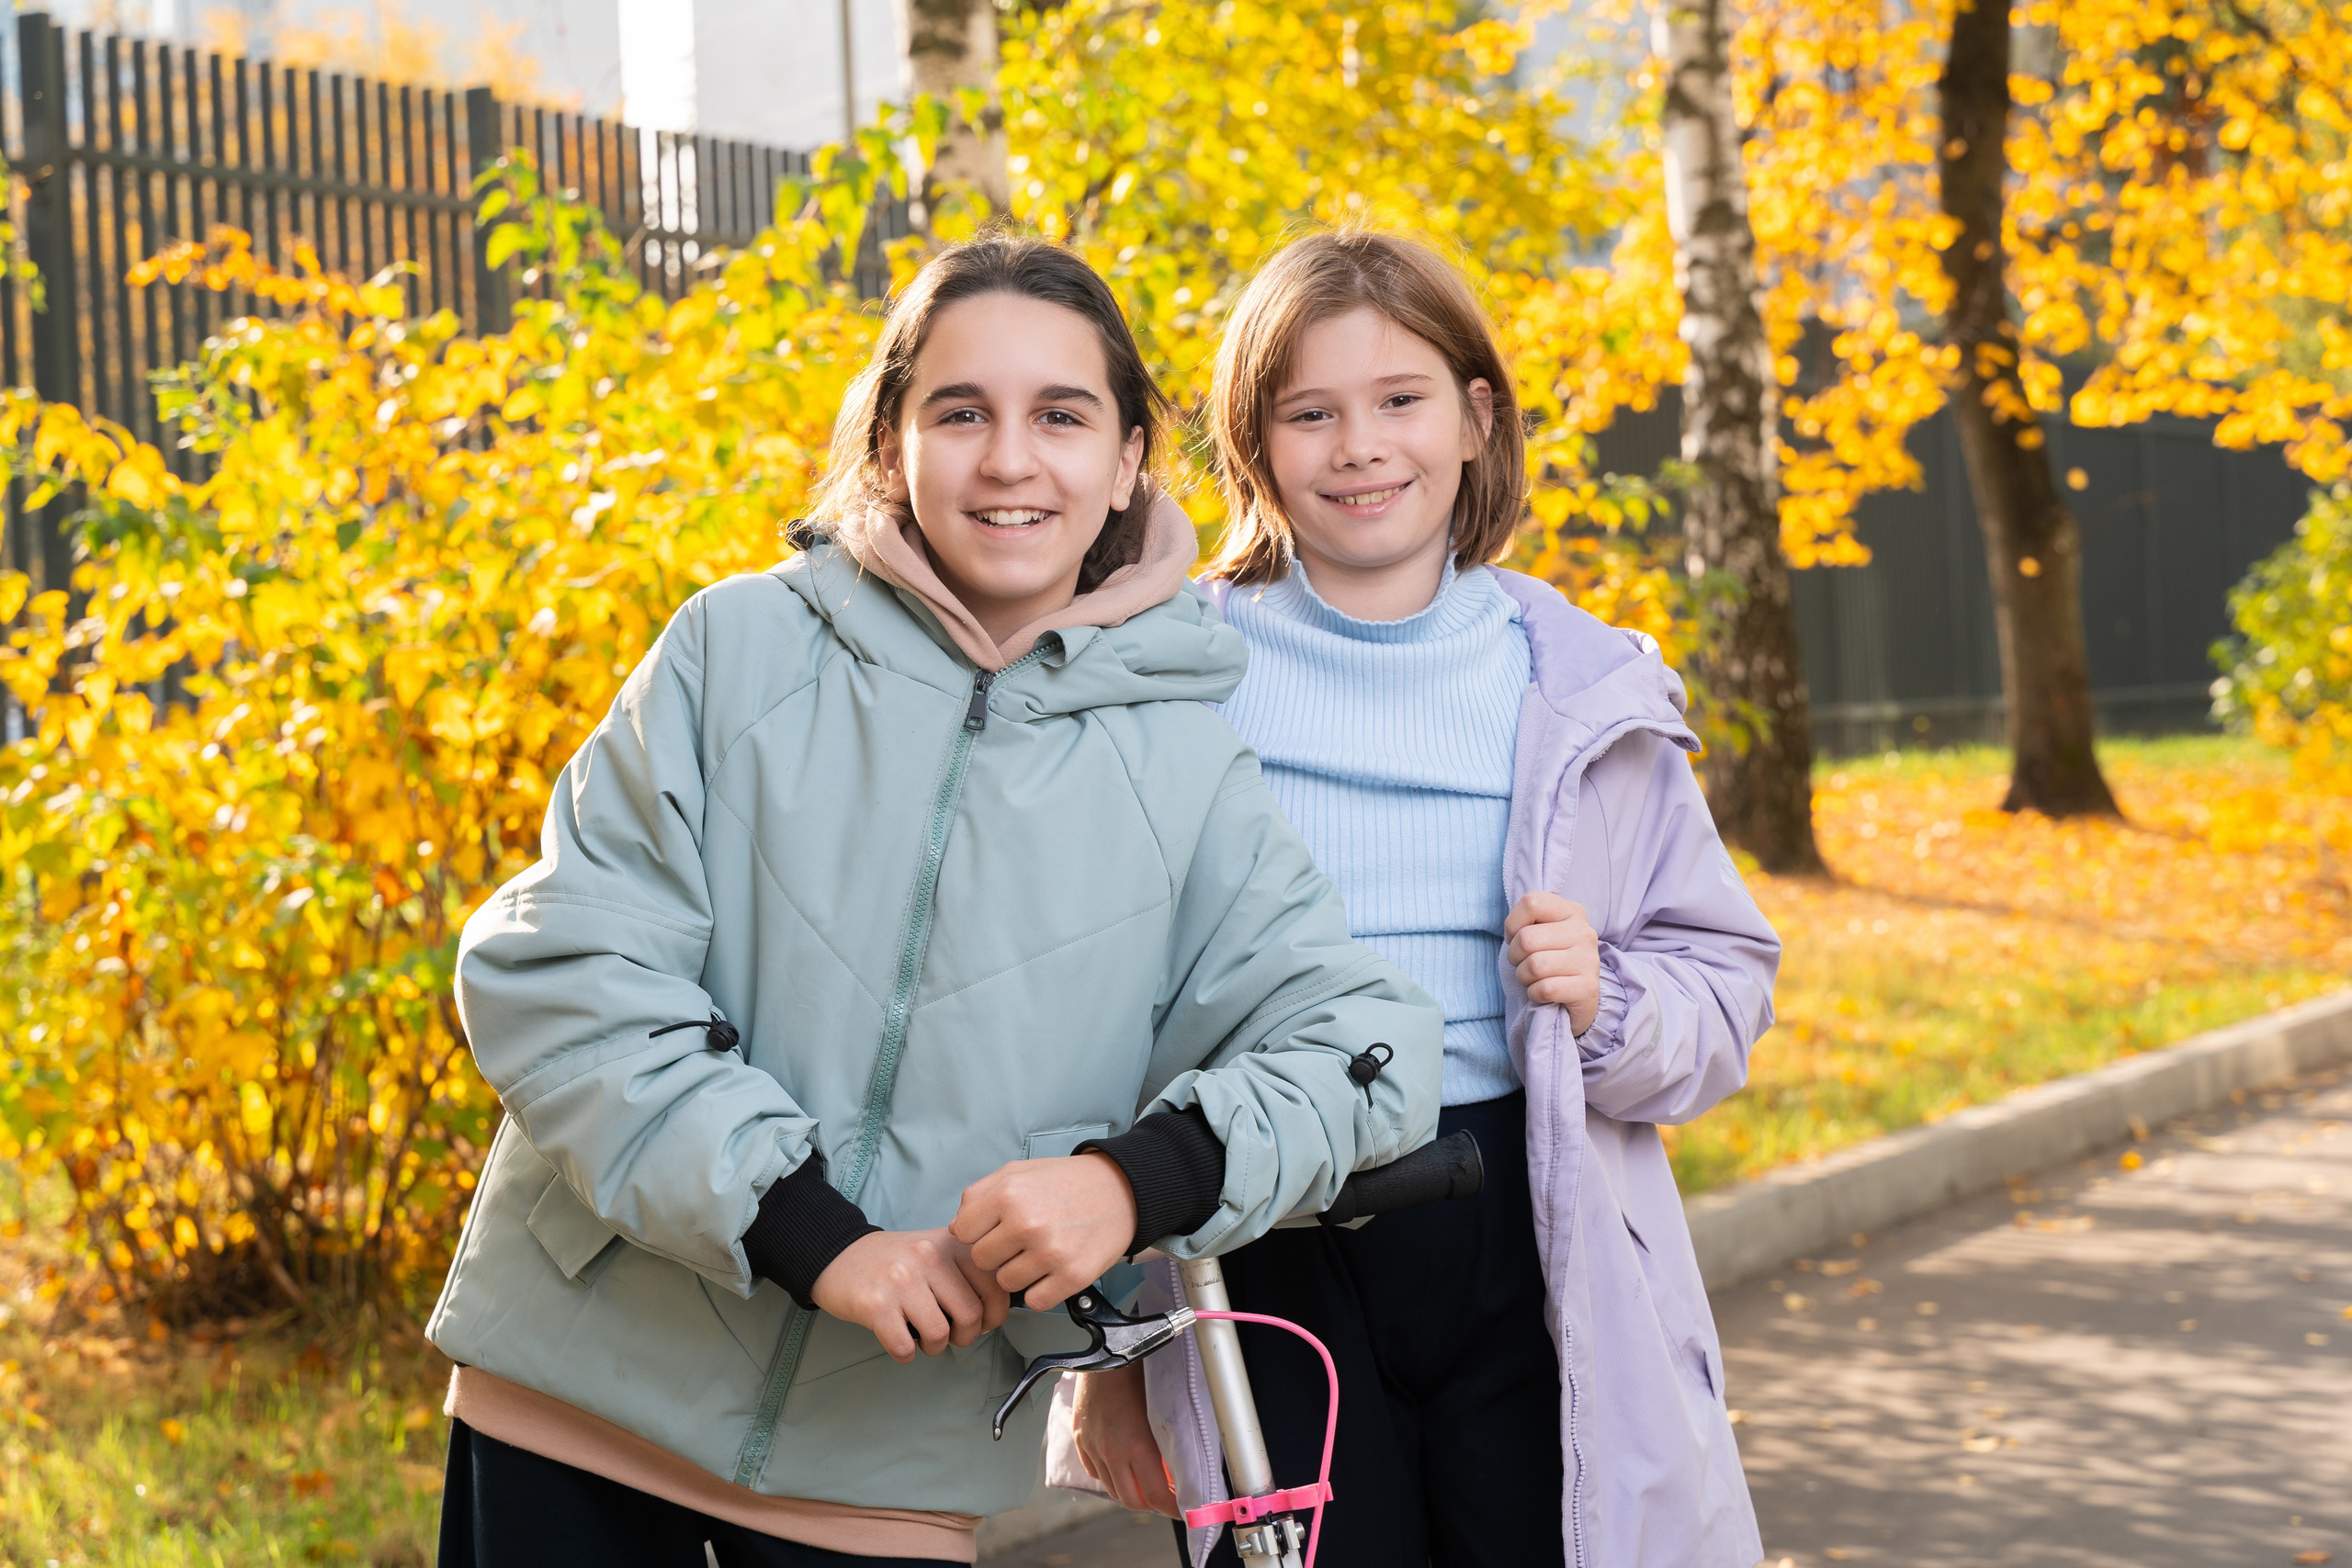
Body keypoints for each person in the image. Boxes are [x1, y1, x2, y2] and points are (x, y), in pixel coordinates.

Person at [425, 235, 1442, 1568]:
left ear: (1130, 457)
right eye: (960, 412)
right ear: (891, 441)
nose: (1011, 460)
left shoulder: (1184, 763)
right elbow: (561, 970)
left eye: (1061, 416)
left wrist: (1134, 1185)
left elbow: (1371, 1052)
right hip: (573, 1406)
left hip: (895, 1470)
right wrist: (806, 1230)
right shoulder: (737, 649)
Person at [1065, 230, 1781, 1568]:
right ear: (1256, 444)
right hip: (1257, 1224)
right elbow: (1087, 1013)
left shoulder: (1578, 683)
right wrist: (1106, 1346)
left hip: (1527, 1217)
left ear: (1474, 416)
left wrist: (1610, 1000)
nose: (1359, 446)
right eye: (1310, 413)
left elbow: (1726, 982)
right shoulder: (1170, 672)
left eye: (1400, 400)